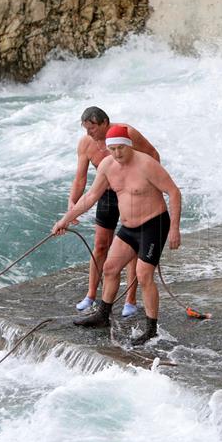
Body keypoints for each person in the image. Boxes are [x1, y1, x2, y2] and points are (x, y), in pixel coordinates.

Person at [53, 125, 181, 345]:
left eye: (121, 148)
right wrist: (64, 219)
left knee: (143, 275)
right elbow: (91, 196)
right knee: (110, 268)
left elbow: (174, 192)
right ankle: (103, 316)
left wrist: (174, 228)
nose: (117, 153)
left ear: (129, 145)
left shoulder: (146, 164)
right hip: (129, 227)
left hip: (154, 224)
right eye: (112, 149)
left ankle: (151, 329)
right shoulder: (107, 166)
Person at [69, 107, 161, 317]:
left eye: (92, 129)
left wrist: (150, 189)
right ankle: (91, 294)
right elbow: (81, 178)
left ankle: (130, 299)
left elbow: (153, 155)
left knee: (132, 247)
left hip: (132, 193)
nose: (89, 134)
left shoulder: (127, 133)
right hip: (107, 194)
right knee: (101, 245)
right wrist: (72, 204)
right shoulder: (86, 144)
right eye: (86, 129)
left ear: (105, 123)